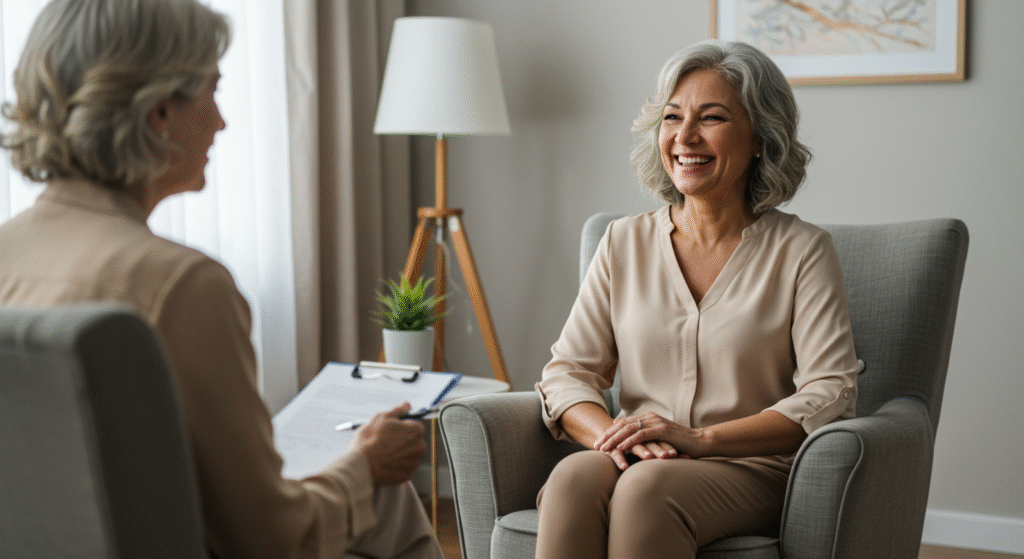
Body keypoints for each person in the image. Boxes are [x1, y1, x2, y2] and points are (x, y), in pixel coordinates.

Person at [0, 1, 442, 558]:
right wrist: (364, 467)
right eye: (213, 90)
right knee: (388, 495)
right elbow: (272, 542)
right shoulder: (184, 286)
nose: (222, 120)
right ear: (160, 112)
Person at [534, 40, 859, 558]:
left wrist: (700, 440)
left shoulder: (803, 250)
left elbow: (831, 389)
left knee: (646, 490)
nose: (685, 138)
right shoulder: (623, 241)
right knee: (573, 478)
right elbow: (568, 371)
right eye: (671, 118)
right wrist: (613, 437)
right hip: (639, 454)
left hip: (748, 467)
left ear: (759, 137)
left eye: (711, 118)